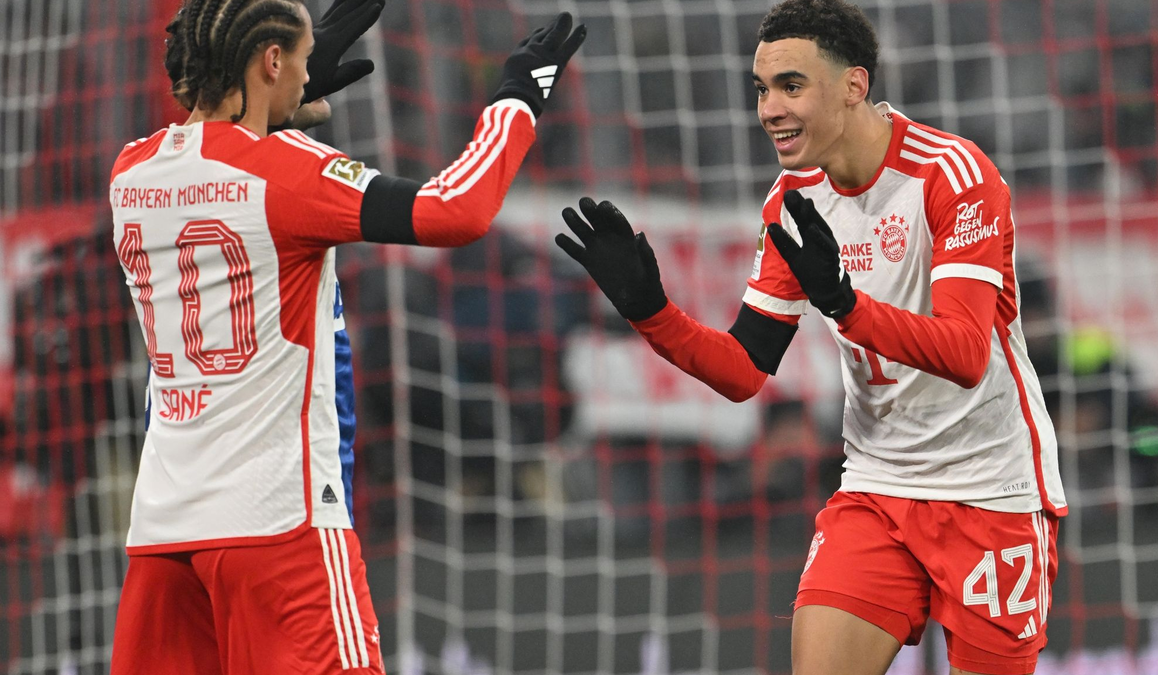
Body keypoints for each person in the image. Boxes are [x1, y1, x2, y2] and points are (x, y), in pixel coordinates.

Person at [554, 1, 1065, 673]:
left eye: (790, 86)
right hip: (878, 488)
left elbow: (966, 354)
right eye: (762, 89)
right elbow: (744, 370)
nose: (769, 109)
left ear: (854, 85)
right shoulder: (792, 200)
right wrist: (652, 311)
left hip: (990, 491)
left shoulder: (954, 176)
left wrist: (846, 305)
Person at [108, 0, 585, 672]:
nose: (311, 77)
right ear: (271, 60)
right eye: (301, 61)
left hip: (163, 534)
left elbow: (217, 164)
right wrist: (517, 99)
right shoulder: (289, 170)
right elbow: (454, 210)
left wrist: (270, 99)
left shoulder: (130, 172)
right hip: (280, 526)